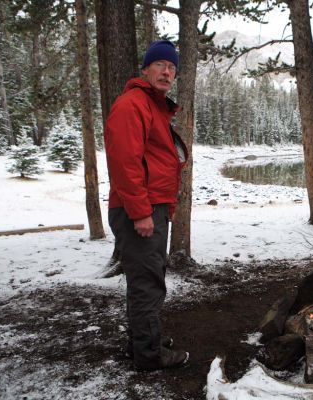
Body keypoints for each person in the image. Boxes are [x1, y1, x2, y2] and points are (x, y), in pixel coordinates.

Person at [104, 40, 189, 370]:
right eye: (160, 65)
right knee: (147, 284)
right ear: (145, 69)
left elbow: (156, 161)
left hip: (151, 207)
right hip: (138, 210)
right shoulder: (132, 104)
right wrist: (140, 212)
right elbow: (124, 162)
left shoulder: (153, 106)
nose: (167, 72)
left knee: (146, 280)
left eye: (172, 68)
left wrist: (161, 209)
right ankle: (149, 356)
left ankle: (142, 341)